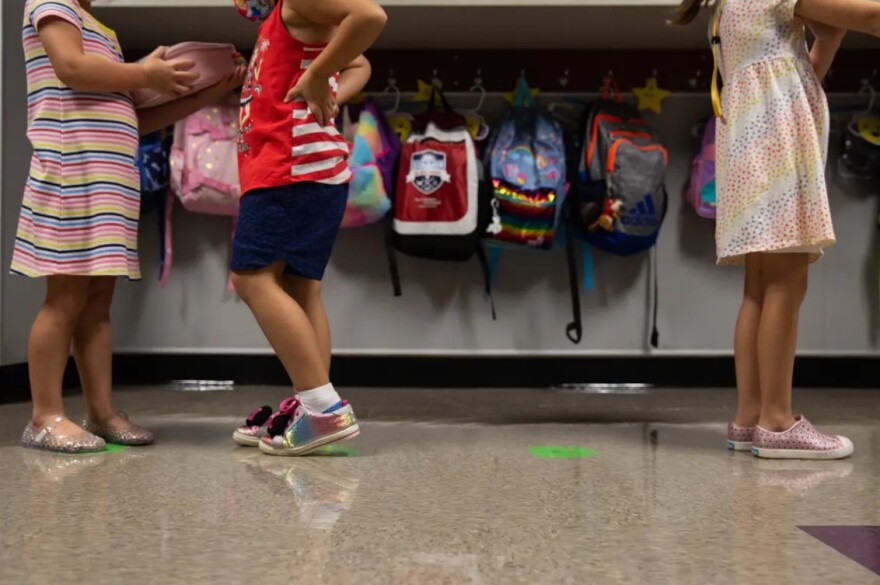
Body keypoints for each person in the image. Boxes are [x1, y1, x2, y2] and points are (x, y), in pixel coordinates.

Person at [14, 0, 246, 453]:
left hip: (107, 181)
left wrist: (205, 93)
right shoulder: (51, 4)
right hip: (72, 173)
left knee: (98, 300)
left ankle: (100, 412)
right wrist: (145, 75)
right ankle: (44, 416)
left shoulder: (101, 28)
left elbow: (134, 117)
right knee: (65, 297)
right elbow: (71, 67)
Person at [672, 0, 880, 459]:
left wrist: (829, 38)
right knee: (786, 283)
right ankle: (778, 421)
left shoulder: (729, 5)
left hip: (753, 149)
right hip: (777, 150)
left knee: (761, 287)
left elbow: (798, 80)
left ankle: (750, 418)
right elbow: (872, 15)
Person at [231, 0, 386, 456]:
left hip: (290, 168)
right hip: (306, 170)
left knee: (251, 278)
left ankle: (322, 408)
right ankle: (312, 401)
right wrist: (327, 82)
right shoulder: (283, 15)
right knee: (302, 289)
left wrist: (320, 78)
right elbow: (359, 61)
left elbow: (370, 18)